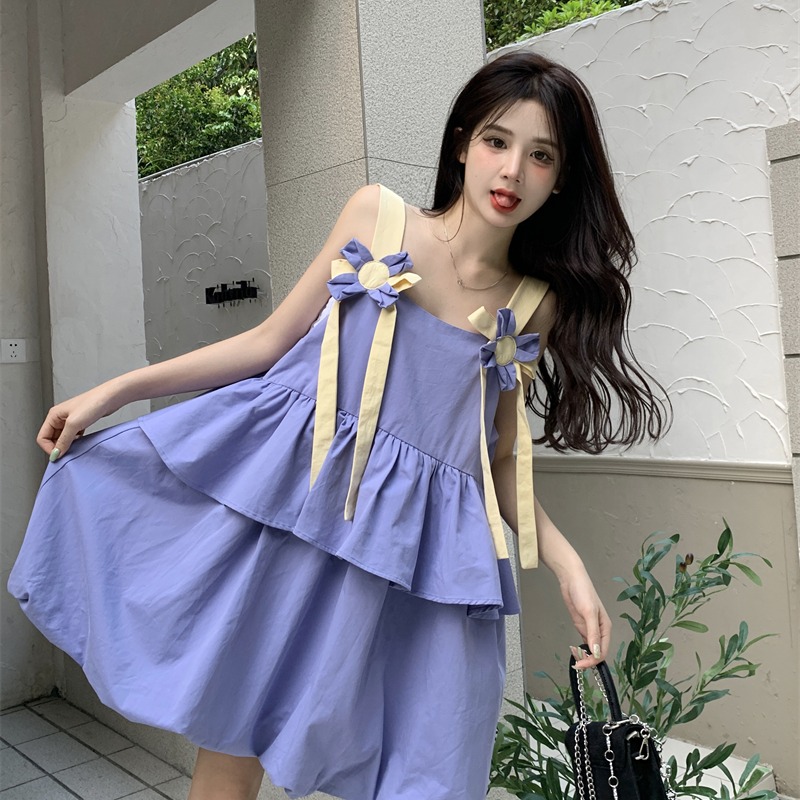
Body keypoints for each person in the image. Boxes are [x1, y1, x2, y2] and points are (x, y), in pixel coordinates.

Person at [9, 52, 668, 800]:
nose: (512, 169)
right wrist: (116, 391)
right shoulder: (377, 216)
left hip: (412, 559)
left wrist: (569, 566)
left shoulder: (532, 303)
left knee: (424, 766)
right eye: (497, 140)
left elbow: (498, 458)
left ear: (560, 178)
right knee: (232, 748)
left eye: (541, 155)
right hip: (302, 516)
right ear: (462, 143)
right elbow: (267, 344)